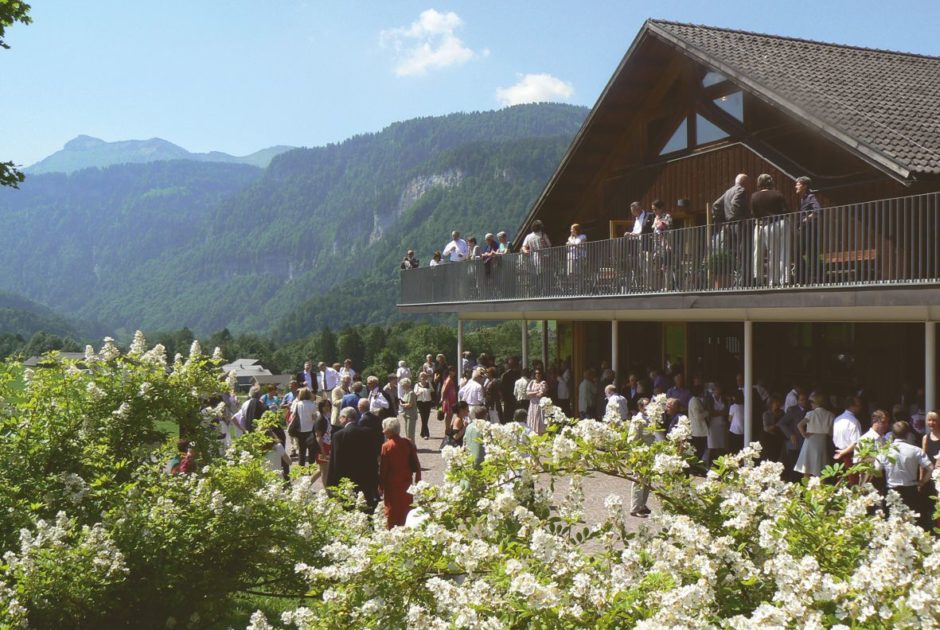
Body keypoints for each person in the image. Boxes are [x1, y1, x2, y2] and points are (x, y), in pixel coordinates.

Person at [877, 421, 933, 528]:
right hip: (911, 491)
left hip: (891, 491)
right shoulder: (916, 450)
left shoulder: (885, 451)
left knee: (892, 525)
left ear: (892, 434)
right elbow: (930, 468)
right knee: (911, 524)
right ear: (908, 434)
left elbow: (876, 469)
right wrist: (922, 482)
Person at [328, 407, 382, 509]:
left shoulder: (338, 435)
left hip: (347, 479)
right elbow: (373, 456)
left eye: (341, 417)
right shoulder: (368, 432)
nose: (339, 419)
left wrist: (332, 483)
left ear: (345, 418)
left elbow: (335, 461)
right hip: (365, 476)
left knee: (349, 508)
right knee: (367, 507)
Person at [379, 416, 421, 529]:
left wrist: (381, 486)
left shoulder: (386, 446)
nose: (383, 431)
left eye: (384, 429)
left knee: (392, 511)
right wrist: (418, 478)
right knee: (406, 508)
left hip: (392, 484)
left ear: (389, 431)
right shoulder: (407, 442)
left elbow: (383, 469)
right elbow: (416, 462)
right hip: (406, 481)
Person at [750, 173, 790, 286]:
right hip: (781, 222)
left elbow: (755, 214)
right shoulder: (778, 194)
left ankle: (767, 280)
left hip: (766, 225)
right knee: (784, 252)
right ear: (771, 182)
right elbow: (786, 210)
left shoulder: (754, 196)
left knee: (770, 253)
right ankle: (784, 279)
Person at [712, 173, 751, 282]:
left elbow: (715, 205)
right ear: (744, 182)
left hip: (729, 226)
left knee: (733, 252)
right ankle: (744, 279)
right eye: (748, 182)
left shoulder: (728, 192)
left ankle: (736, 278)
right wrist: (738, 217)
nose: (749, 185)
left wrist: (722, 220)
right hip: (739, 225)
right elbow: (735, 203)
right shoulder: (741, 190)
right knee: (744, 251)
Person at [794, 393, 834, 478]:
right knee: (821, 469)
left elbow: (799, 425)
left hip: (810, 441)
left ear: (816, 402)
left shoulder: (810, 414)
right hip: (822, 441)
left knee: (807, 468)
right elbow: (831, 433)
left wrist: (804, 434)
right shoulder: (830, 414)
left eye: (812, 402)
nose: (811, 404)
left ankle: (805, 486)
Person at [795, 176, 822, 285]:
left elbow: (818, 210)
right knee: (801, 253)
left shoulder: (810, 196)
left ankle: (816, 277)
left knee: (811, 254)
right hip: (804, 230)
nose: (796, 186)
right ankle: (805, 277)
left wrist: (806, 219)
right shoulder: (803, 198)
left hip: (810, 230)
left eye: (798, 184)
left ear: (805, 186)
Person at [778, 392, 809, 482]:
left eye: (805, 399)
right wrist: (790, 434)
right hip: (795, 443)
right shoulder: (793, 410)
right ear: (798, 401)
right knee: (794, 467)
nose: (804, 402)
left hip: (807, 442)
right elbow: (782, 423)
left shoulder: (810, 410)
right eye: (801, 400)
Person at [833, 396, 864, 483]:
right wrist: (843, 452)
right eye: (858, 405)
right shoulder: (854, 421)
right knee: (853, 483)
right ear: (852, 406)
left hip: (837, 453)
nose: (860, 407)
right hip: (849, 455)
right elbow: (856, 443)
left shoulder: (837, 419)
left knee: (840, 483)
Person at [290, 387, 318, 467]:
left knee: (302, 451)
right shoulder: (312, 404)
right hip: (310, 430)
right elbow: (314, 418)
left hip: (300, 430)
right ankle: (311, 468)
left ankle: (301, 469)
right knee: (311, 451)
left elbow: (293, 416)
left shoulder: (297, 404)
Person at [705, 383, 729, 464]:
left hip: (722, 425)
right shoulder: (709, 399)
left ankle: (720, 464)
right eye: (717, 388)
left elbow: (727, 411)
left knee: (721, 446)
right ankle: (709, 464)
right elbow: (711, 412)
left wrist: (718, 413)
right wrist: (722, 412)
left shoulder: (724, 399)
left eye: (720, 388)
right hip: (712, 426)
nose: (719, 390)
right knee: (712, 446)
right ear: (714, 390)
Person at [760, 394, 785, 463]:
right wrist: (776, 425)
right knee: (768, 458)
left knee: (777, 457)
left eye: (778, 402)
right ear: (771, 403)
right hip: (768, 438)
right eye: (775, 402)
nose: (777, 404)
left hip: (778, 438)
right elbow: (766, 428)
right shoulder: (766, 414)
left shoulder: (782, 413)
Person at [315, 399, 333, 482]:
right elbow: (318, 436)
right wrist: (322, 451)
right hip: (322, 446)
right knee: (325, 471)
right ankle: (327, 490)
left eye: (328, 406)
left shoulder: (327, 418)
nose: (327, 407)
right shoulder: (320, 419)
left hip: (327, 445)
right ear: (321, 407)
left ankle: (306, 484)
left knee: (322, 469)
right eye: (325, 406)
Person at [526, 368, 548, 434]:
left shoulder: (543, 382)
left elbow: (540, 394)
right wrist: (536, 391)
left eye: (539, 373)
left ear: (541, 374)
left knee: (539, 417)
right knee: (532, 417)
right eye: (536, 373)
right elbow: (527, 393)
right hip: (532, 404)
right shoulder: (532, 382)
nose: (537, 374)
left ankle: (540, 433)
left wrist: (532, 393)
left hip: (539, 404)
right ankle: (532, 432)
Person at [414, 372, 434, 440]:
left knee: (426, 417)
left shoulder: (428, 384)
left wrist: (427, 391)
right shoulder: (417, 385)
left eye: (424, 376)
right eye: (421, 376)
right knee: (423, 417)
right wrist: (419, 393)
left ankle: (422, 433)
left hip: (428, 402)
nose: (423, 378)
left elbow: (432, 391)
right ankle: (426, 434)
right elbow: (415, 394)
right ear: (419, 378)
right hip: (420, 402)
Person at [398, 377, 418, 442]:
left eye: (402, 385)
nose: (401, 386)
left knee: (410, 434)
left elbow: (410, 405)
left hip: (411, 415)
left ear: (406, 385)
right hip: (406, 414)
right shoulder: (406, 392)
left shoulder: (411, 393)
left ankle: (412, 446)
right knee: (407, 432)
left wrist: (401, 404)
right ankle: (409, 445)